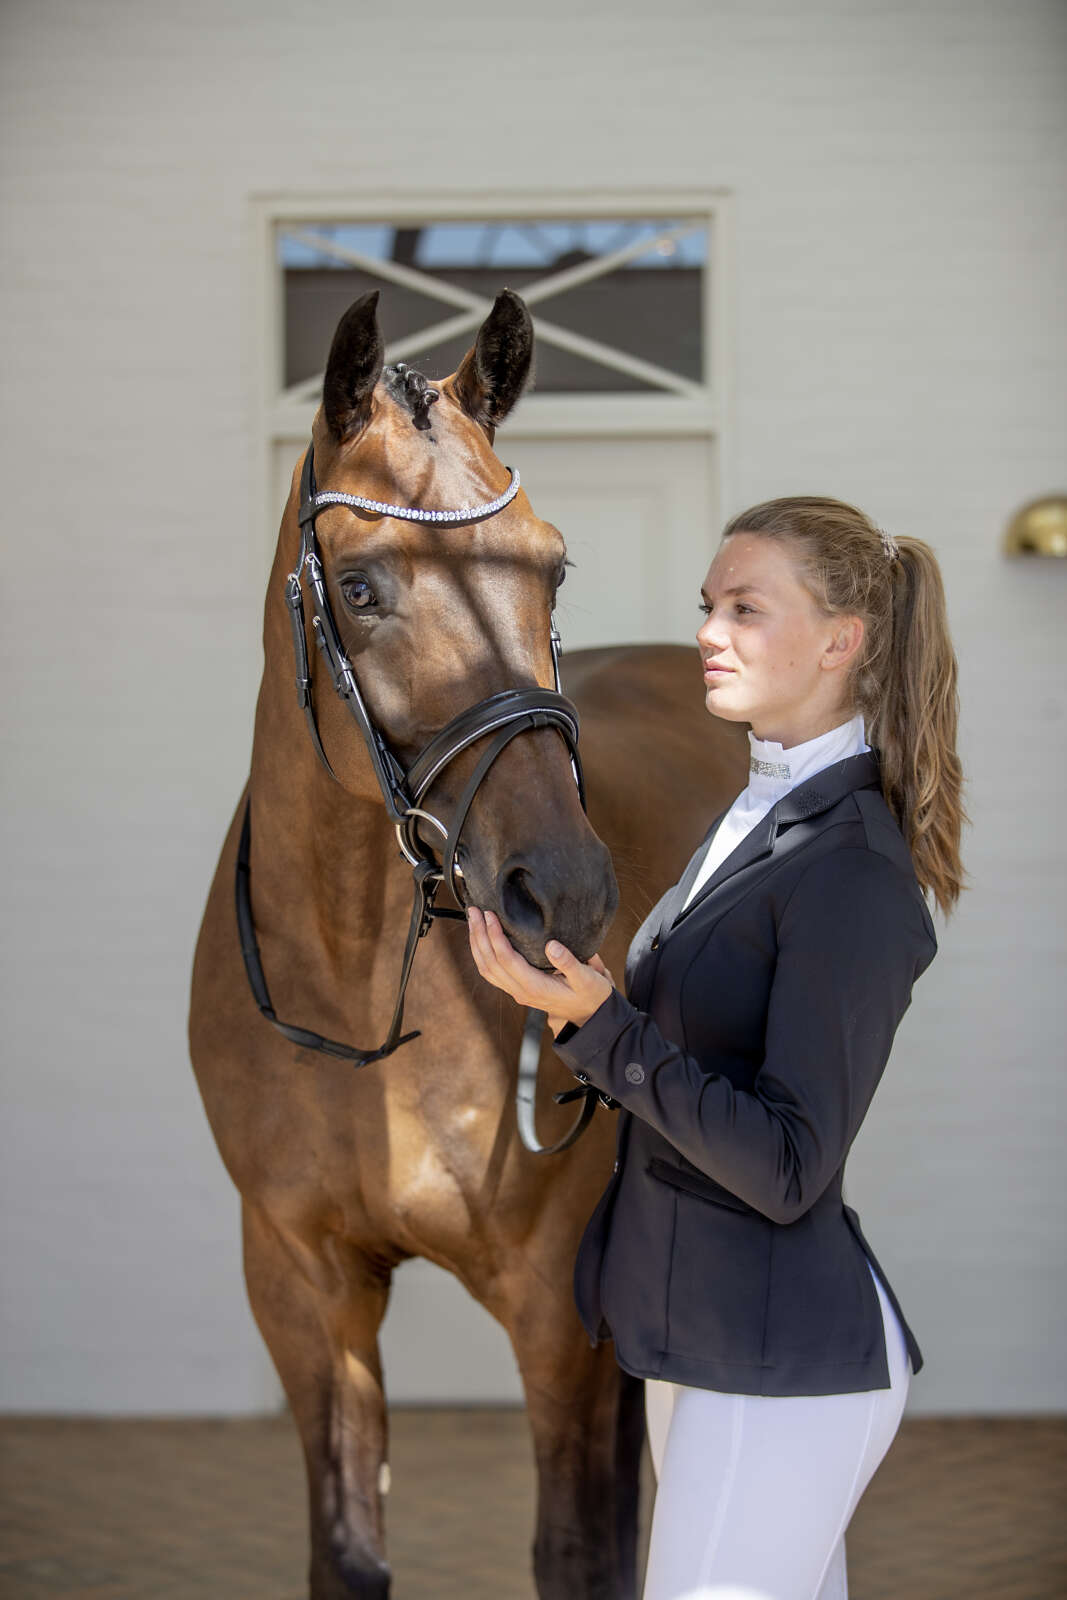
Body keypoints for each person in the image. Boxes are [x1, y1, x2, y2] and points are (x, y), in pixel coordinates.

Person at [466, 495, 964, 1600]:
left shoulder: (850, 868)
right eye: (708, 605)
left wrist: (602, 1028)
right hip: (699, 1339)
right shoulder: (757, 815)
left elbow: (788, 1162)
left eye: (745, 608)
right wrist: (576, 1010)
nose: (705, 631)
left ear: (840, 641)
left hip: (775, 1361)